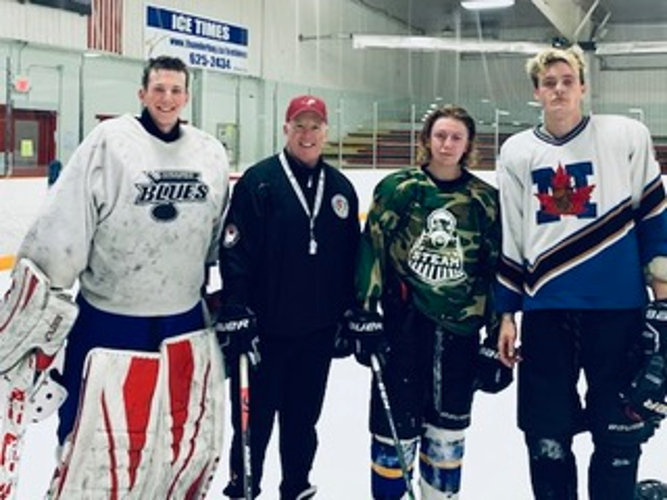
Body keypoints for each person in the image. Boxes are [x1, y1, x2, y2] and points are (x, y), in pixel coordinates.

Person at [12, 56, 230, 497]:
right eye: (158, 89)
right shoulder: (110, 142)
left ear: (187, 97)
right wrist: (38, 317)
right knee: (92, 434)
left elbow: (214, 235)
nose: (167, 98)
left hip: (183, 322)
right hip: (109, 320)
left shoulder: (209, 152)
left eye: (175, 90)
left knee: (170, 436)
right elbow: (64, 229)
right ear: (142, 94)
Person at [495, 46, 667, 500]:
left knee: (619, 428)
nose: (559, 89)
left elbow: (653, 217)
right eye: (548, 83)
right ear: (537, 92)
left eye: (567, 80)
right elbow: (511, 234)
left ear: (584, 87)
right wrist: (507, 314)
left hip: (618, 307)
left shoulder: (625, 136)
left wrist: (664, 300)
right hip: (547, 310)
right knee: (545, 433)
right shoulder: (517, 151)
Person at [345, 104, 509, 499]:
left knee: (447, 435)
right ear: (426, 140)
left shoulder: (484, 200)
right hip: (404, 329)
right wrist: (364, 313)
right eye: (440, 135)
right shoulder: (399, 189)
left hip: (460, 335)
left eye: (456, 137)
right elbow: (372, 248)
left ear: (468, 144)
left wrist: (495, 335)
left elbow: (495, 270)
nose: (447, 144)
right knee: (393, 434)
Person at [217, 94, 360, 500]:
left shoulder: (341, 188)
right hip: (263, 331)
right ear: (286, 129)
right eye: (299, 125)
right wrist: (236, 305)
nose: (307, 134)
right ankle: (244, 487)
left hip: (317, 331)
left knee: (303, 419)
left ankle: (296, 486)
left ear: (326, 132)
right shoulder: (259, 181)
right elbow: (235, 249)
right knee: (253, 422)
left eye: (315, 126)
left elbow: (351, 257)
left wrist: (352, 310)